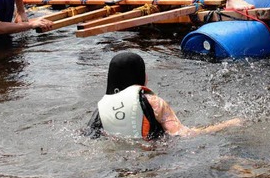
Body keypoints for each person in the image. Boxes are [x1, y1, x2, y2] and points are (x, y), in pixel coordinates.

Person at [86, 52, 242, 140]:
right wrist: (225, 125)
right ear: (140, 75)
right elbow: (183, 134)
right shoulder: (153, 102)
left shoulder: (100, 109)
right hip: (155, 159)